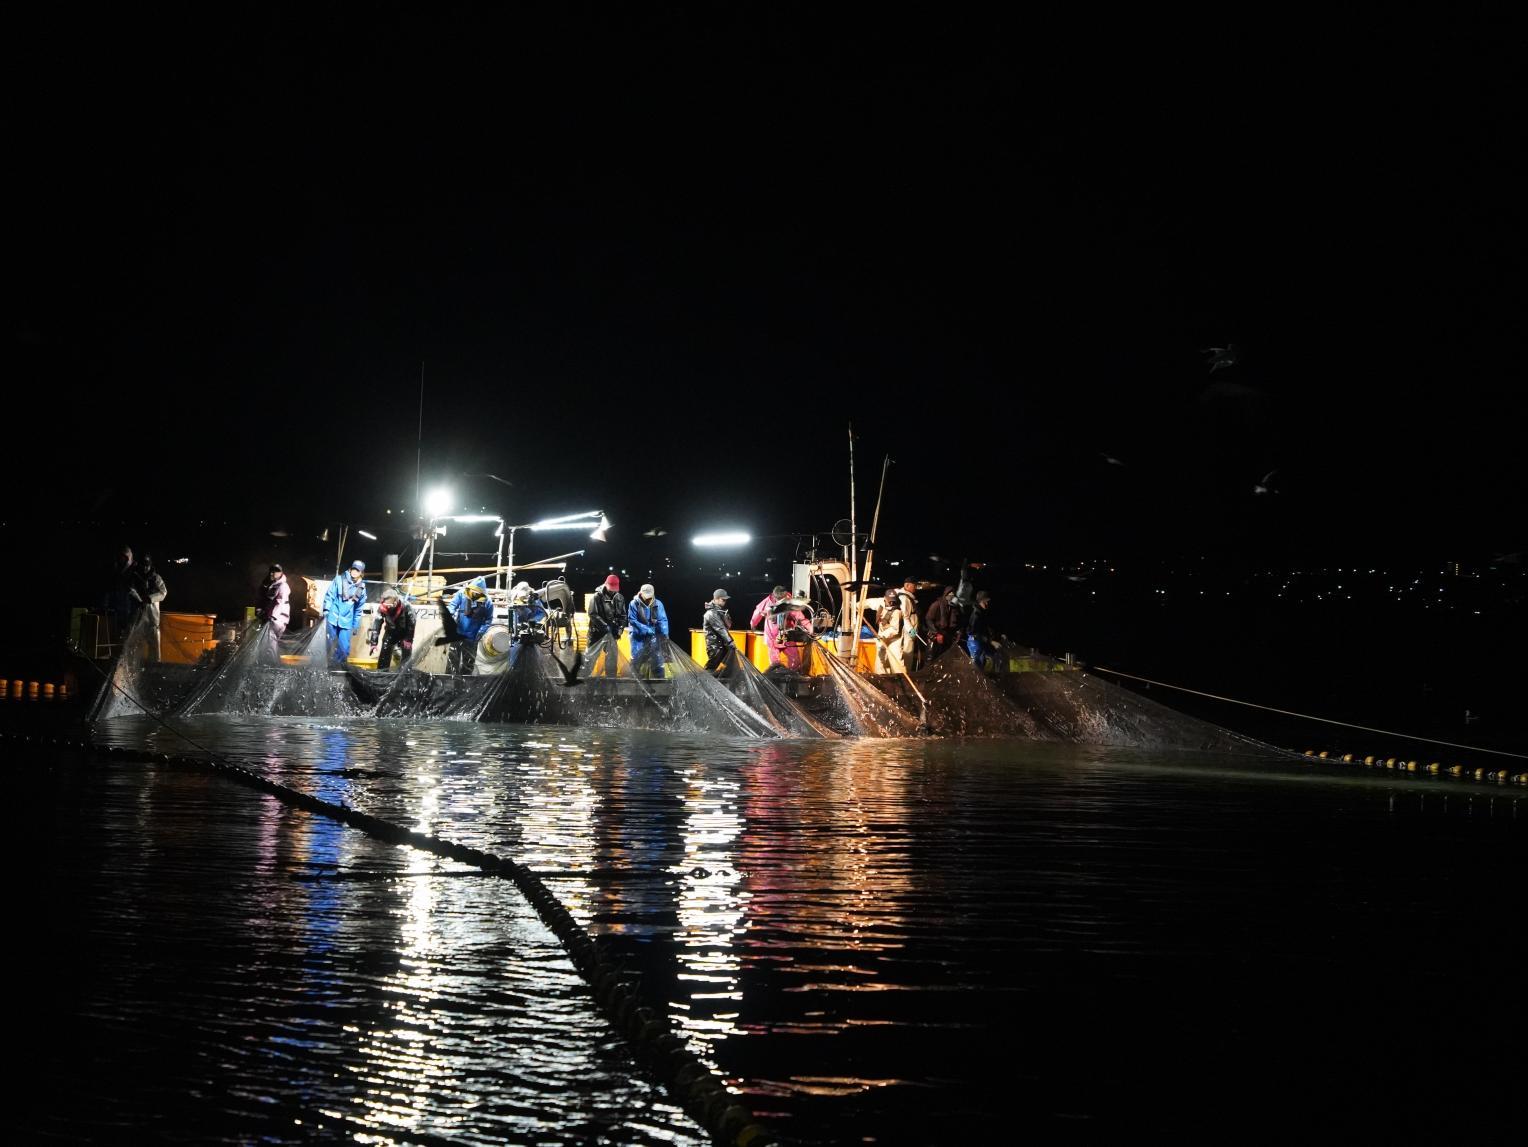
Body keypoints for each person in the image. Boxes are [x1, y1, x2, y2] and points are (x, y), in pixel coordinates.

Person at [750, 585, 811, 670]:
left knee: (795, 660)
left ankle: (792, 677)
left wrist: (810, 628)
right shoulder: (767, 601)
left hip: (786, 636)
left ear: (786, 595)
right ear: (774, 596)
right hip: (772, 637)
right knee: (775, 663)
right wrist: (753, 624)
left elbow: (801, 618)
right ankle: (776, 679)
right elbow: (757, 613)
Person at [322, 560, 368, 666]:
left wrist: (355, 625)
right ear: (351, 569)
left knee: (344, 648)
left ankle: (339, 670)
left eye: (358, 570)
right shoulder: (338, 579)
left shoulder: (362, 589)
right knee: (328, 645)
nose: (355, 571)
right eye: (354, 569)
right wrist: (326, 610)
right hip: (332, 618)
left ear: (361, 573)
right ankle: (327, 667)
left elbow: (358, 609)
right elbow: (329, 596)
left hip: (346, 621)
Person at [445, 575, 493, 675]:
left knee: (468, 663)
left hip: (473, 637)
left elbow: (488, 620)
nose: (474, 594)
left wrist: (479, 633)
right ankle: (450, 682)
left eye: (477, 593)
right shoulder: (461, 594)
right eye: (473, 591)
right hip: (457, 634)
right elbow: (452, 606)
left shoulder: (488, 602)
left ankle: (464, 684)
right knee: (452, 661)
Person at [129, 552, 168, 661]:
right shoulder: (134, 577)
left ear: (150, 565)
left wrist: (150, 598)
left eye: (147, 565)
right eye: (143, 565)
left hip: (152, 620)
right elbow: (130, 590)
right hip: (138, 619)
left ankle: (155, 668)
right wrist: (139, 598)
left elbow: (163, 592)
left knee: (155, 650)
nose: (145, 567)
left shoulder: (156, 578)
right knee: (134, 647)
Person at [367, 588, 416, 672]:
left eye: (389, 605)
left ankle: (406, 675)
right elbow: (377, 625)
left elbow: (412, 623)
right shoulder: (382, 608)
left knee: (406, 654)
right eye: (385, 605)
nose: (387, 607)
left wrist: (408, 639)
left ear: (395, 602)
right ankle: (382, 674)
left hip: (405, 633)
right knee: (385, 650)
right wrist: (373, 643)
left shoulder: (406, 606)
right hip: (391, 632)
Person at [627, 583, 669, 679]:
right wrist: (645, 629)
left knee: (658, 659)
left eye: (650, 597)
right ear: (641, 594)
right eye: (646, 596)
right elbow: (632, 620)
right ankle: (634, 682)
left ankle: (659, 683)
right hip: (638, 637)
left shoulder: (658, 604)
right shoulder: (633, 604)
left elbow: (662, 620)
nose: (648, 599)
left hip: (654, 636)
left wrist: (665, 633)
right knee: (637, 659)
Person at [256, 563, 291, 664]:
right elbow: (266, 600)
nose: (272, 573)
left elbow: (281, 602)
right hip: (271, 618)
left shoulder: (283, 586)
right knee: (269, 642)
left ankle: (272, 664)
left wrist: (273, 616)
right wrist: (261, 610)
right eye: (271, 571)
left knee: (270, 641)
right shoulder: (271, 585)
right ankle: (269, 663)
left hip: (278, 619)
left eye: (275, 571)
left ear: (281, 573)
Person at [105, 545, 137, 649]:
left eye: (124, 557)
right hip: (117, 607)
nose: (121, 559)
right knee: (117, 634)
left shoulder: (134, 570)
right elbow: (111, 588)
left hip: (129, 608)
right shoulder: (117, 570)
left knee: (129, 635)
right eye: (120, 557)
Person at [702, 588, 738, 674]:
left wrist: (725, 616)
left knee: (729, 666)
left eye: (725, 600)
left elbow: (728, 626)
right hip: (715, 646)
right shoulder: (710, 613)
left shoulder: (720, 611)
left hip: (722, 645)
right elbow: (720, 628)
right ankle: (704, 682)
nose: (725, 602)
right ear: (716, 599)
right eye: (723, 599)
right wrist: (730, 641)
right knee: (712, 666)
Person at [966, 590, 1002, 671]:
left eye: (988, 601)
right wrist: (991, 642)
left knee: (982, 665)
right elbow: (972, 633)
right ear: (979, 601)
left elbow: (984, 628)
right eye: (984, 601)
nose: (987, 603)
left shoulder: (982, 612)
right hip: (974, 643)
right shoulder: (976, 615)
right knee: (976, 668)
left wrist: (998, 635)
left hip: (981, 642)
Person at [588, 574, 626, 650]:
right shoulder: (596, 597)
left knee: (612, 658)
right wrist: (606, 627)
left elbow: (623, 615)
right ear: (606, 584)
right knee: (591, 657)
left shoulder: (620, 598)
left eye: (614, 589)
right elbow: (592, 614)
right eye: (610, 589)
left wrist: (621, 627)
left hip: (613, 634)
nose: (612, 591)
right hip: (597, 633)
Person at [925, 585, 962, 661]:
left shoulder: (953, 607)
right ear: (946, 595)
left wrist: (958, 632)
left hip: (947, 634)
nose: (952, 597)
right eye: (950, 595)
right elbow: (928, 619)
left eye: (953, 595)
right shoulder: (937, 604)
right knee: (932, 657)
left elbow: (957, 621)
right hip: (936, 633)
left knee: (945, 657)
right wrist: (936, 633)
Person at [875, 589, 906, 675]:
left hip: (894, 639)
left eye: (893, 601)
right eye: (890, 601)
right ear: (885, 598)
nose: (891, 603)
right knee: (880, 661)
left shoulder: (897, 612)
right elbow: (868, 603)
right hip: (881, 637)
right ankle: (881, 679)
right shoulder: (879, 603)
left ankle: (902, 680)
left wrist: (883, 635)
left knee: (897, 663)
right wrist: (857, 605)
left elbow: (894, 629)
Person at [896, 577, 922, 670]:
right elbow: (905, 617)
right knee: (907, 651)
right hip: (908, 631)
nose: (915, 587)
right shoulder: (904, 598)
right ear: (907, 585)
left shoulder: (908, 596)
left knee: (909, 651)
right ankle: (905, 672)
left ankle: (907, 670)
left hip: (911, 628)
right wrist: (911, 631)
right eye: (914, 585)